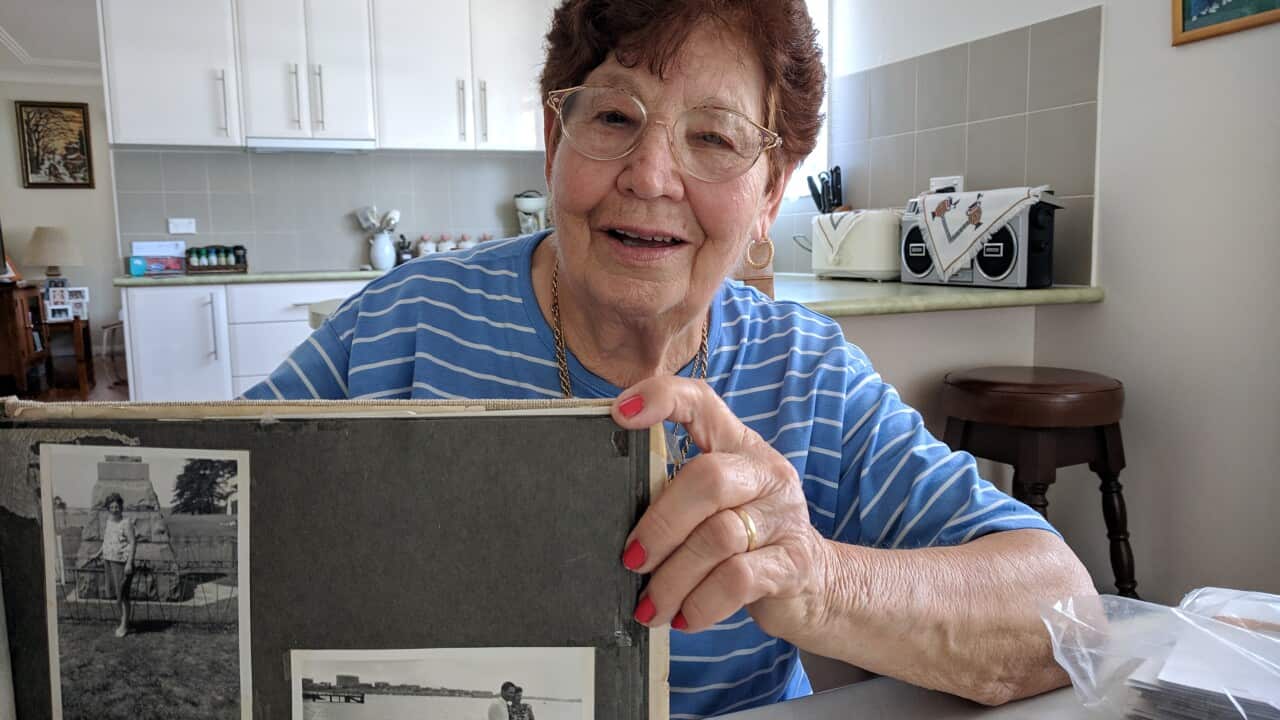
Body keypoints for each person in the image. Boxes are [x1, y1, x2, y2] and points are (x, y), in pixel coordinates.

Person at [245, 0, 1096, 716]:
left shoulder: (806, 374)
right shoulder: (402, 326)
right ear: (555, 143)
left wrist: (816, 579)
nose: (650, 175)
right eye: (615, 117)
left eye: (716, 138)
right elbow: (222, 522)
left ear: (769, 193)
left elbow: (1064, 615)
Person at [83, 492, 136, 637]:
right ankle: (123, 621)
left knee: (123, 596)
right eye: (111, 507)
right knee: (115, 594)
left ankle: (124, 625)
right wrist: (98, 554)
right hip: (109, 561)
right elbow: (106, 542)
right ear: (108, 508)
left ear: (121, 507)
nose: (114, 509)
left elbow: (132, 543)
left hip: (122, 563)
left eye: (117, 506)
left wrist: (129, 563)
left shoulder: (126, 522)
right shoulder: (109, 522)